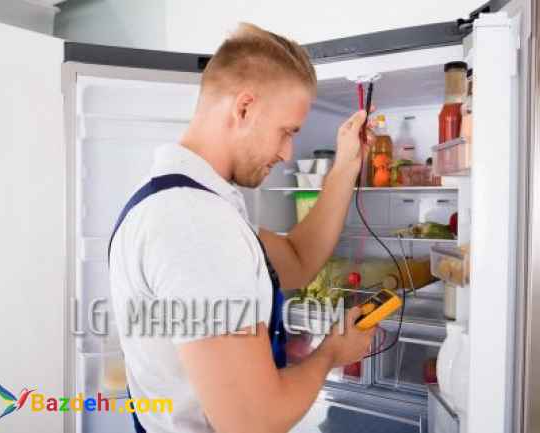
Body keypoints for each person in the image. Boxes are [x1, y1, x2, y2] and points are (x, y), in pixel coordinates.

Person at [109, 22, 376, 433]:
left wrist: (345, 166)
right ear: (245, 108)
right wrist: (330, 354)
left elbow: (296, 261)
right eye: (286, 132)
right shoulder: (194, 223)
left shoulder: (181, 200)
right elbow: (253, 422)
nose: (287, 153)